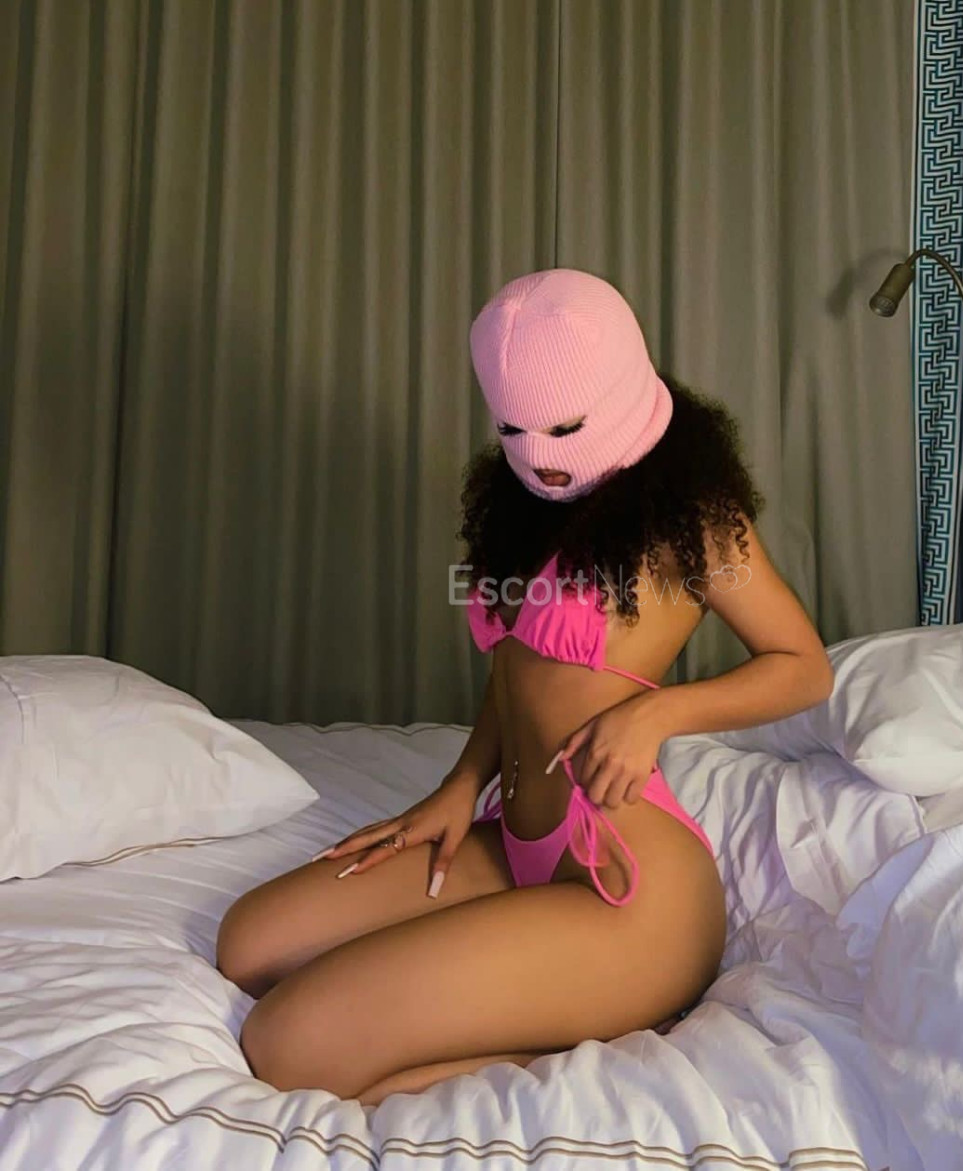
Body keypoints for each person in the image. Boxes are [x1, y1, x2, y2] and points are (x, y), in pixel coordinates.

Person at [216, 269, 833, 1103]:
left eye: (563, 428)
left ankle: (598, 1024)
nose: (539, 455)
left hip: (628, 885)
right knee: (249, 945)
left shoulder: (693, 518)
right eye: (515, 429)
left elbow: (803, 666)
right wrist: (459, 784)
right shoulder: (530, 503)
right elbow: (518, 670)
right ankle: (548, 995)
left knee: (286, 1043)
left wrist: (658, 713)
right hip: (516, 844)